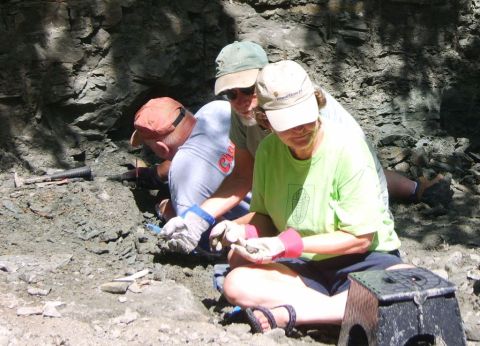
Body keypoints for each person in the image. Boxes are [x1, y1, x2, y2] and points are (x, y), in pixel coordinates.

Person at [162, 40, 452, 254]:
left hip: (340, 215)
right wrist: (199, 217)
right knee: (240, 265)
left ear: (265, 80)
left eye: (248, 90)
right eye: (230, 94)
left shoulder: (310, 115)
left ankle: (416, 190)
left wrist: (280, 242)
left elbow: (347, 196)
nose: (240, 100)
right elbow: (242, 175)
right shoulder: (247, 115)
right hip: (296, 203)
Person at [209, 60, 411, 334]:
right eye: (289, 124)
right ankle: (342, 311)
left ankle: (298, 313)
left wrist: (284, 245)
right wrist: (240, 229)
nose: (301, 129)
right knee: (236, 279)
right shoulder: (268, 151)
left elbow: (359, 238)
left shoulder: (348, 147)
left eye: (306, 118)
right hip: (305, 267)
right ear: (266, 120)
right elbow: (266, 217)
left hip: (364, 261)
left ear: (317, 103)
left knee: (405, 283)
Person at [127, 97, 248, 245]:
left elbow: (202, 239)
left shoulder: (184, 179)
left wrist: (167, 209)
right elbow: (202, 153)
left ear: (161, 148)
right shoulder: (218, 109)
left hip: (256, 230)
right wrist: (156, 173)